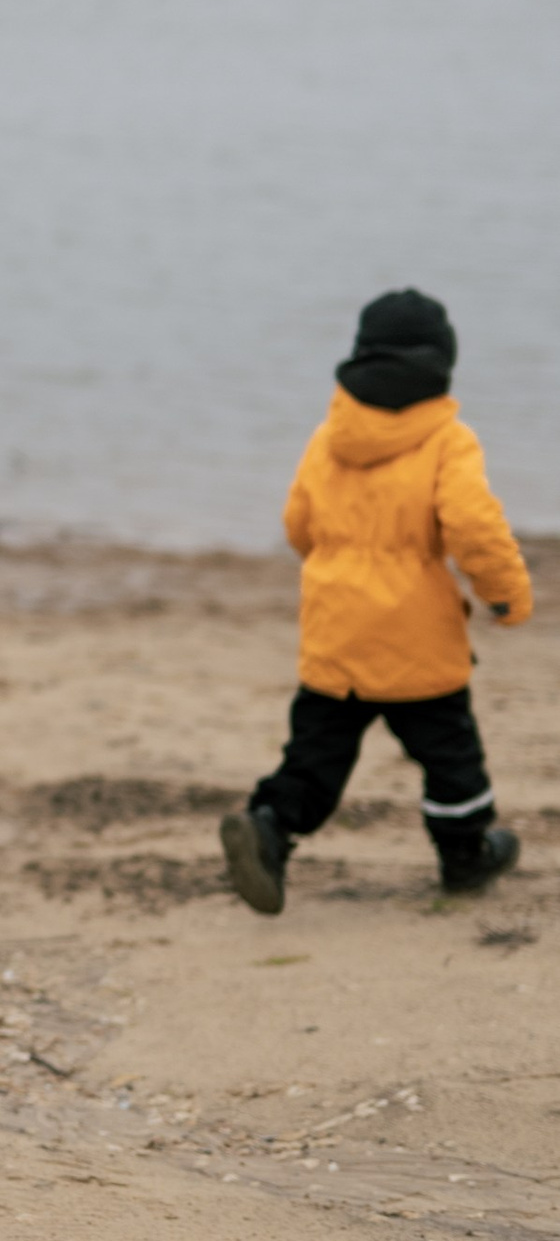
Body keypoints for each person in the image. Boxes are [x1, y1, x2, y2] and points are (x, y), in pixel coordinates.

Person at [221, 288, 531, 918]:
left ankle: (272, 828)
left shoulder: (331, 433)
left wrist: (336, 566)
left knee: (316, 749)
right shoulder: (448, 439)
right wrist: (504, 595)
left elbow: (297, 522)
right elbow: (474, 526)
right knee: (449, 756)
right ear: (441, 362)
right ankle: (465, 856)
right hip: (415, 635)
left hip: (336, 626)